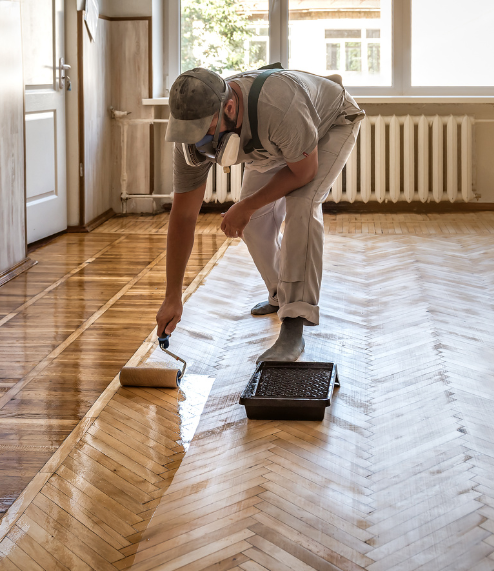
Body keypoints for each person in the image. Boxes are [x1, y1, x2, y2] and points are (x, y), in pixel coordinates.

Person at [156, 64, 364, 361]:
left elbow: (304, 172)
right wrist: (172, 295)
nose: (199, 143)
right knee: (252, 223)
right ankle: (281, 294)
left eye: (206, 131)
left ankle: (294, 324)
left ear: (229, 107)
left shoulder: (278, 105)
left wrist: (246, 204)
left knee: (302, 205)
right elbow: (184, 216)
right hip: (274, 140)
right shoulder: (190, 139)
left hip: (329, 123)